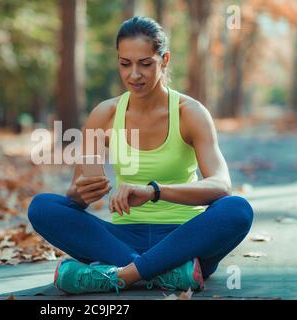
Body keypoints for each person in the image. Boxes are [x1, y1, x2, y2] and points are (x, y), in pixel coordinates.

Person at [28, 16, 253, 295]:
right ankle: (165, 272)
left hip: (184, 237)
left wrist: (154, 192)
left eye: (145, 64)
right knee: (42, 207)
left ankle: (123, 274)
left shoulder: (189, 113)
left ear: (164, 59)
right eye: (125, 64)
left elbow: (221, 185)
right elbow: (77, 198)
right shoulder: (105, 115)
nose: (134, 75)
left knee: (237, 210)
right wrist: (79, 192)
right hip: (122, 239)